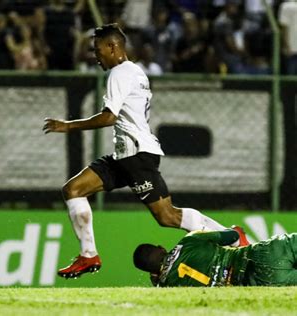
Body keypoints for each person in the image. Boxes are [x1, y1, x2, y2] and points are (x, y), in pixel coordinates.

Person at [42, 23, 245, 279]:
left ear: (113, 46)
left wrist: (68, 125)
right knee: (73, 190)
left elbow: (109, 118)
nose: (95, 55)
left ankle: (234, 238)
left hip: (136, 156)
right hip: (124, 156)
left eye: (98, 49)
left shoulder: (119, 73)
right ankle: (88, 255)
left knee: (167, 216)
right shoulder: (136, 72)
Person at [133, 229, 297, 287]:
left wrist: (159, 281)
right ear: (161, 248)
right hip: (266, 252)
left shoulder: (167, 288)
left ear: (152, 274)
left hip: (260, 279)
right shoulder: (190, 240)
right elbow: (233, 236)